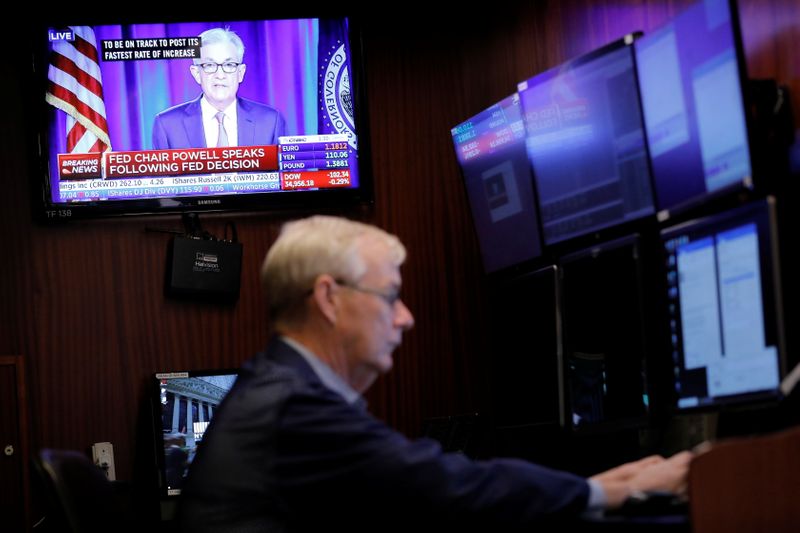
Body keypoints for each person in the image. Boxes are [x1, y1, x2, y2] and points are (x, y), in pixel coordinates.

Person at [178, 215, 691, 533]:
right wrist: (607, 492)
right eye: (390, 297)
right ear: (329, 298)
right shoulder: (294, 407)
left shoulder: (278, 387)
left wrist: (590, 488)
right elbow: (440, 486)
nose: (406, 318)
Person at [151, 27, 284, 150]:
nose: (220, 75)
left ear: (240, 73)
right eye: (209, 65)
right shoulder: (167, 125)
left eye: (229, 64)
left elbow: (285, 174)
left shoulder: (270, 121)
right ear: (196, 73)